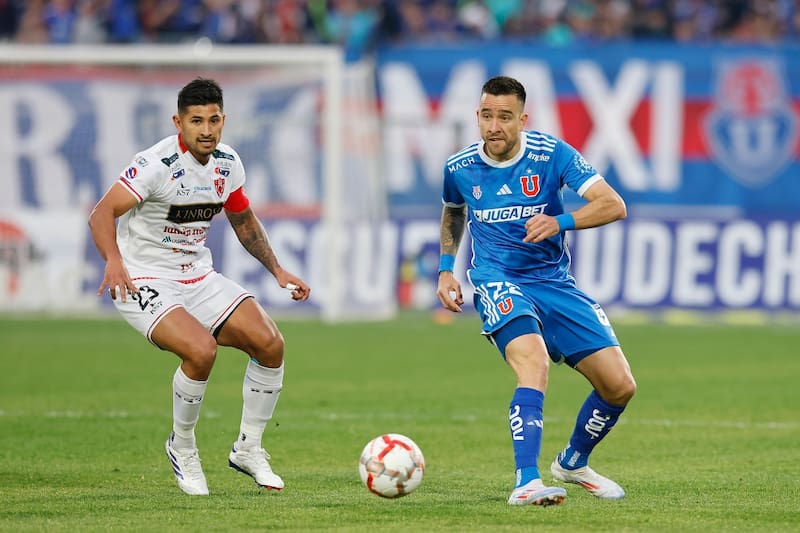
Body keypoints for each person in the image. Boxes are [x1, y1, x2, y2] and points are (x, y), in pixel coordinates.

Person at [88, 77, 311, 496]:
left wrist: (278, 271)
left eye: (213, 120)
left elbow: (243, 222)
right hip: (144, 279)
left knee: (271, 344)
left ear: (223, 120)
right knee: (200, 350)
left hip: (197, 275)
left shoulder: (228, 164)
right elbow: (101, 213)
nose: (206, 130)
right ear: (179, 122)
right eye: (196, 121)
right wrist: (114, 262)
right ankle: (183, 446)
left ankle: (249, 449)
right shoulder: (155, 164)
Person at [436, 75, 636, 506]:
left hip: (553, 282)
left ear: (523, 119)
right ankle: (526, 480)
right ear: (477, 116)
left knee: (619, 386)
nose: (494, 127)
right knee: (534, 361)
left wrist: (561, 221)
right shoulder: (459, 166)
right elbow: (454, 211)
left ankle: (572, 462)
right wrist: (445, 270)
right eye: (487, 116)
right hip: (496, 278)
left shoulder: (552, 154)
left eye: (505, 118)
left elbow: (613, 204)